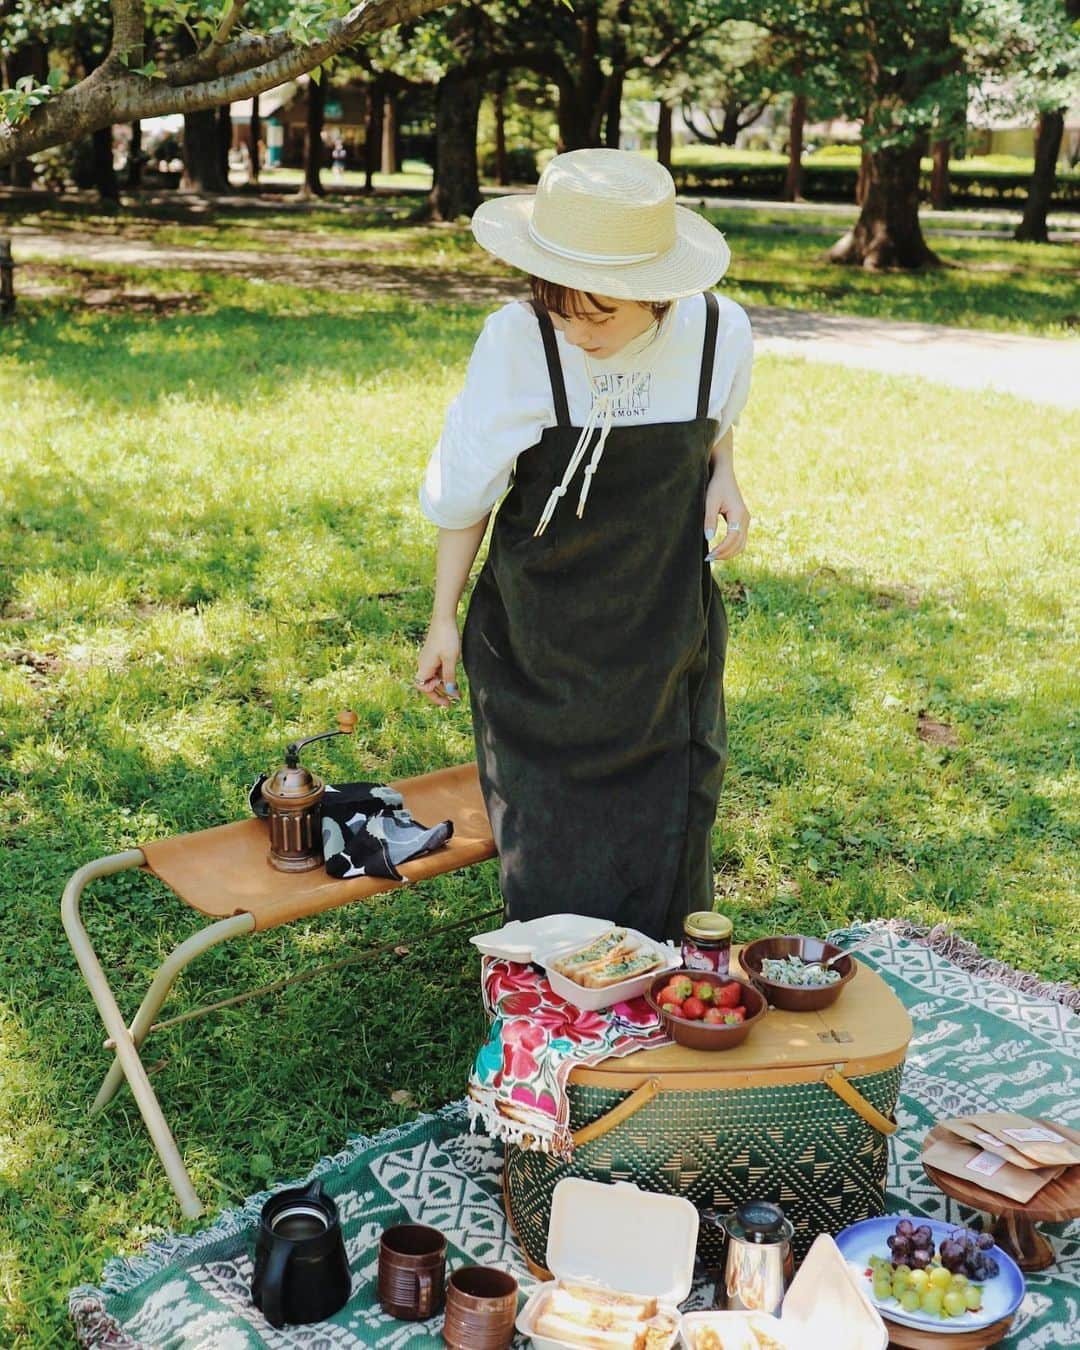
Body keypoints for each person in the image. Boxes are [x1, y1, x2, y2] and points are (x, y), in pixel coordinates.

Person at [415, 148, 753, 942]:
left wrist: (726, 471)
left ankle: (662, 1000)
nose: (575, 331)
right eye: (559, 307)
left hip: (666, 631)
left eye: (599, 314)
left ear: (660, 293)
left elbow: (716, 415)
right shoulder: (518, 341)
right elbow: (466, 490)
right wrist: (442, 616)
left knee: (674, 818)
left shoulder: (719, 332)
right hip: (538, 642)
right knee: (548, 836)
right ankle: (555, 1012)